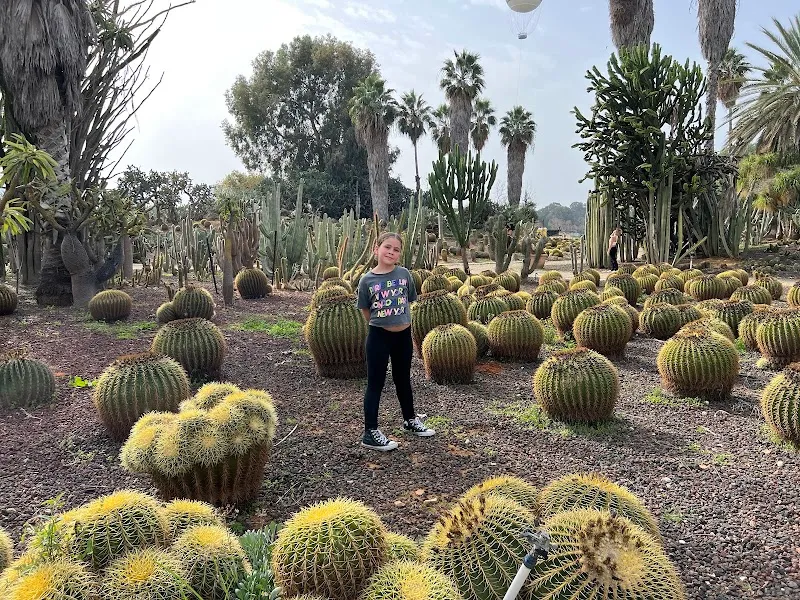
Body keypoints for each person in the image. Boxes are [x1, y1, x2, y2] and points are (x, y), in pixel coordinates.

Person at [356, 232, 435, 451]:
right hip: (379, 336)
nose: (391, 252)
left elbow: (409, 299)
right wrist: (382, 323)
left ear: (400, 254)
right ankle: (370, 432)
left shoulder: (404, 274)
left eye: (396, 249)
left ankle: (410, 420)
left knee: (403, 379)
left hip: (403, 336)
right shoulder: (367, 280)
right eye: (387, 247)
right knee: (375, 384)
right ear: (376, 249)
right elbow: (365, 308)